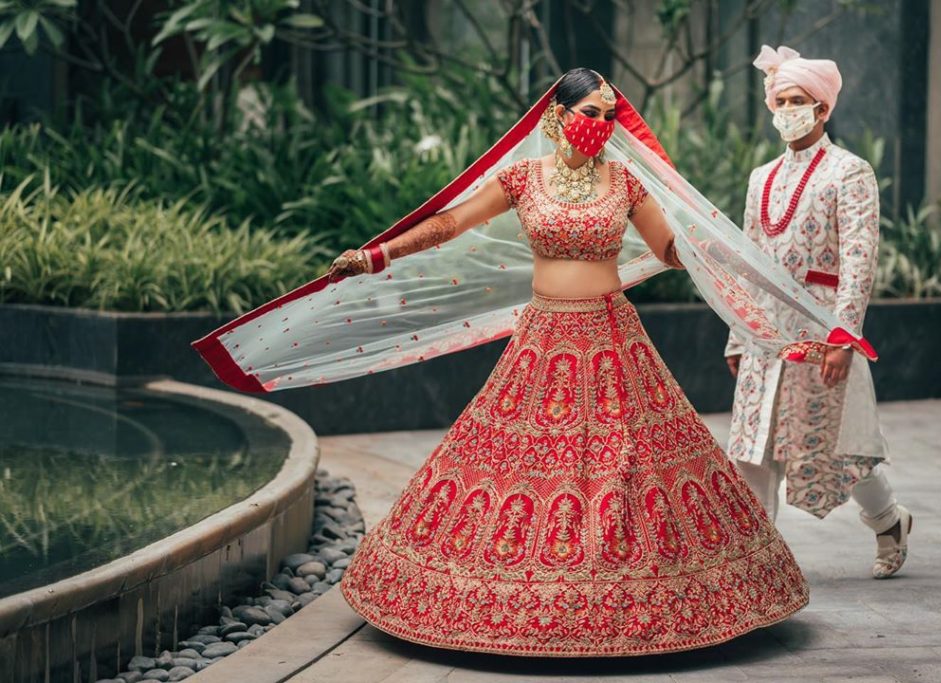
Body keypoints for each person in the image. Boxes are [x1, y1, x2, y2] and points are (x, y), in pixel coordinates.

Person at [194, 67, 879, 656]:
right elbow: (451, 223)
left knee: (627, 472)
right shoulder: (524, 179)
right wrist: (379, 255)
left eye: (610, 117)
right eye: (590, 114)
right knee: (510, 474)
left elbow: (669, 249)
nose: (601, 126)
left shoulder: (625, 183)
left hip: (614, 344)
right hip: (544, 342)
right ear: (558, 115)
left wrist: (716, 259)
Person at [724, 46, 911, 580]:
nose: (786, 109)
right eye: (780, 100)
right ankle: (762, 564)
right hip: (765, 329)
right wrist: (739, 336)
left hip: (822, 325)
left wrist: (842, 336)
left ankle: (888, 521)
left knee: (842, 451)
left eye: (798, 100)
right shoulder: (761, 176)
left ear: (823, 109)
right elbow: (750, 259)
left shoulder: (851, 172)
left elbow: (859, 258)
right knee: (752, 445)